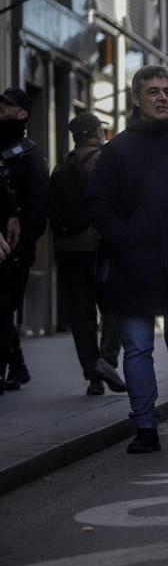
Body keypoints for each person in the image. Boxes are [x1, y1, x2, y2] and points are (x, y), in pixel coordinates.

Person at [86, 66, 168, 453]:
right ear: (135, 98)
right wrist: (123, 238)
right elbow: (97, 203)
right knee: (138, 348)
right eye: (153, 92)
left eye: (167, 91)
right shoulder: (116, 150)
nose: (163, 98)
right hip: (134, 266)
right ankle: (145, 426)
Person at [50, 113, 125, 396]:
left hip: (66, 250)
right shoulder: (102, 161)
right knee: (115, 304)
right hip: (97, 248)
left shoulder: (62, 164)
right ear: (96, 133)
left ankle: (93, 376)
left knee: (80, 315)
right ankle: (106, 359)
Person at [0, 87, 50, 392]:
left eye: (7, 106)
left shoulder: (30, 154)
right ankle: (17, 366)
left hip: (14, 244)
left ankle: (5, 369)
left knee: (3, 307)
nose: (1, 110)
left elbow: (38, 205)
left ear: (22, 114)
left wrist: (26, 246)